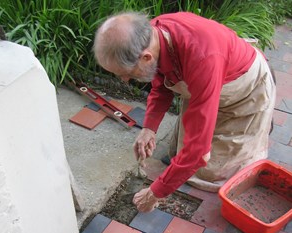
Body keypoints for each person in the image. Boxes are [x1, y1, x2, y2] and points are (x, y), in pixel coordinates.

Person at [93, 11, 276, 212]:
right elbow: (161, 84)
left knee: (212, 172)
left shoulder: (201, 58)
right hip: (207, 84)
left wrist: (155, 193)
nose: (125, 80)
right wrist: (149, 128)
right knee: (183, 154)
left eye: (125, 74)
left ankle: (254, 128)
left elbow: (197, 152)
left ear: (146, 57)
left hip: (243, 92)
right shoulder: (150, 36)